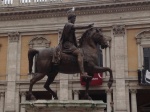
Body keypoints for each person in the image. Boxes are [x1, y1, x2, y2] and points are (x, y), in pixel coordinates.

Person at [59, 12, 94, 78]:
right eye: (74, 18)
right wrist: (87, 26)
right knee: (79, 53)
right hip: (68, 45)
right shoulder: (68, 24)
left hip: (71, 44)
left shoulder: (69, 25)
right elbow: (77, 27)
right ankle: (82, 73)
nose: (75, 20)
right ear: (71, 18)